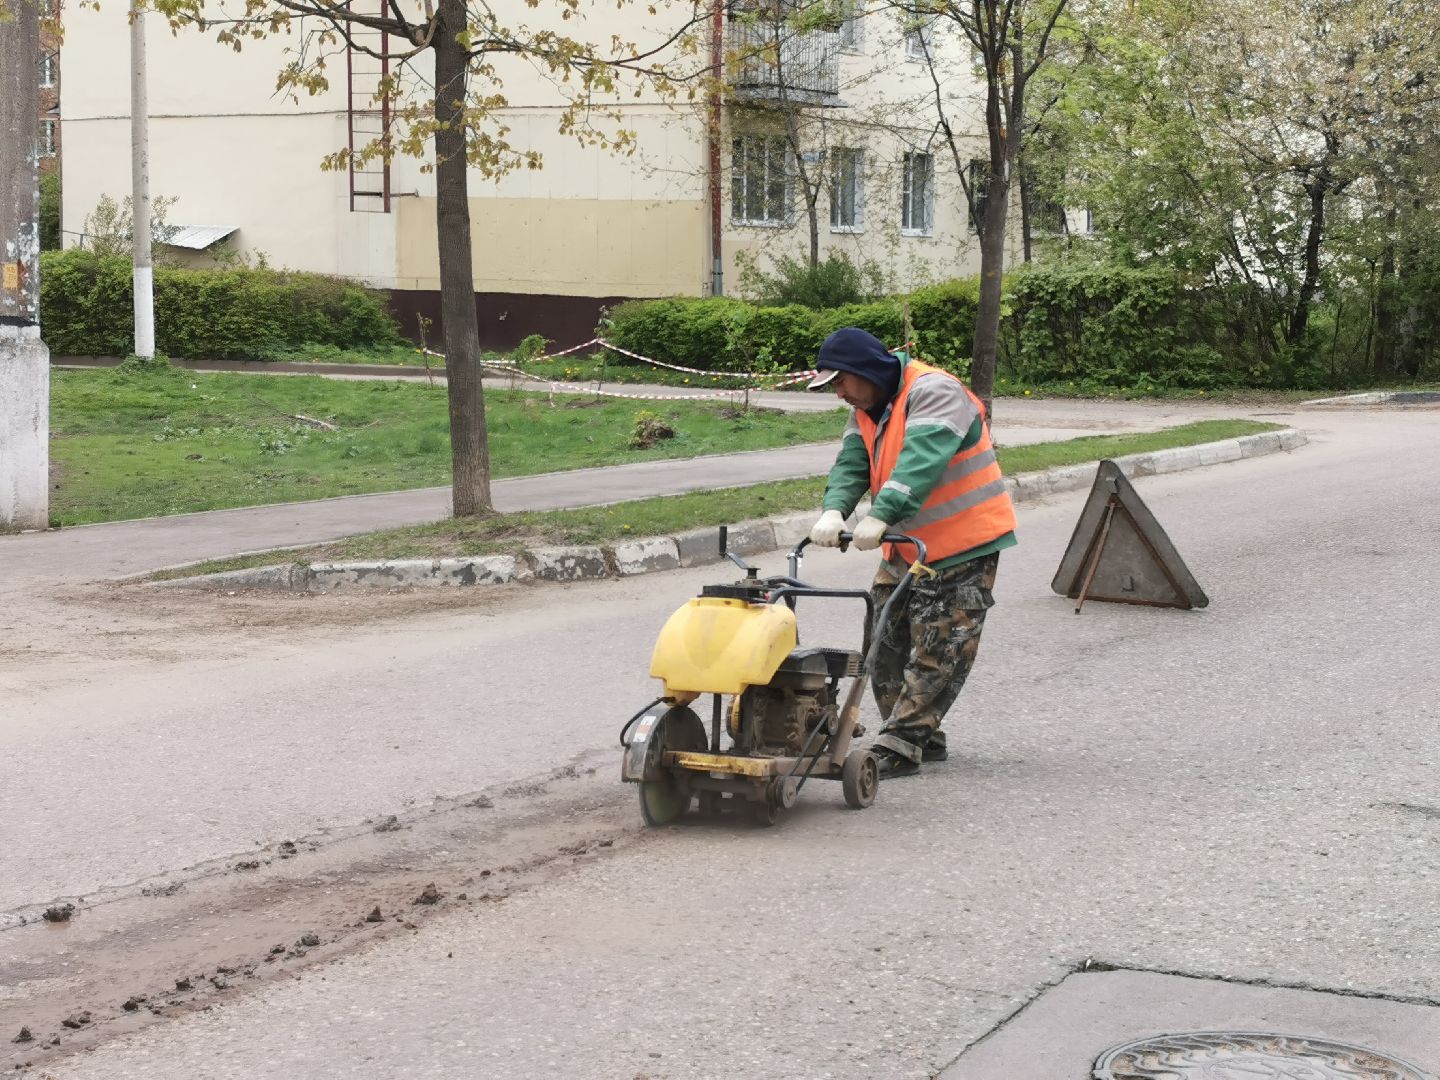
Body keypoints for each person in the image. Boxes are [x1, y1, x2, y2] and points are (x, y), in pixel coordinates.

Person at [807, 327, 1016, 777]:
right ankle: (918, 733)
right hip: (908, 545)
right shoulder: (866, 407)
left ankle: (903, 741)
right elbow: (852, 462)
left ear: (864, 371)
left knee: (940, 644)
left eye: (840, 381)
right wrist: (833, 510)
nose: (838, 393)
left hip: (964, 541)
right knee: (883, 638)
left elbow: (923, 458)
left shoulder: (935, 391)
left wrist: (881, 515)